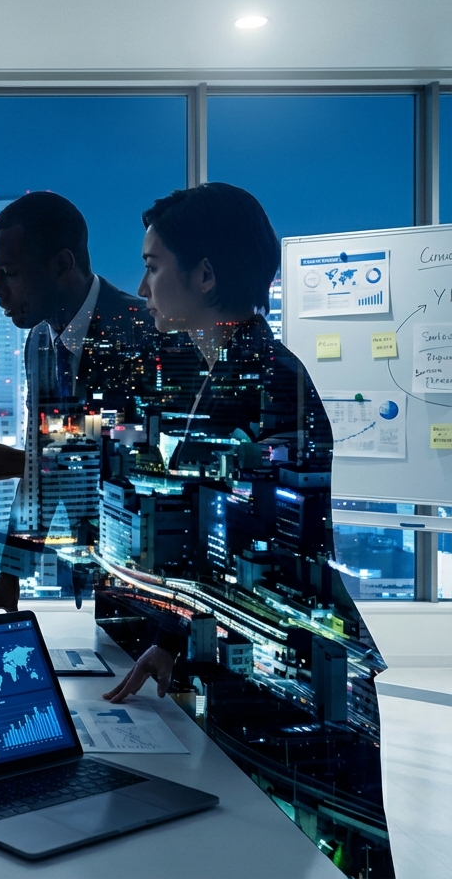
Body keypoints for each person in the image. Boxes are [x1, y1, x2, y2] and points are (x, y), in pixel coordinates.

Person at [103, 184, 391, 876]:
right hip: (240, 661)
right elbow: (211, 545)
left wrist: (187, 634)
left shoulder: (274, 385)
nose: (141, 284)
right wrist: (172, 639)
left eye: (153, 264)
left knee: (301, 856)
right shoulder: (199, 376)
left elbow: (277, 563)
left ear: (204, 274)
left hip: (293, 675)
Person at [0, 192, 155, 612]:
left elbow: (139, 457)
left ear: (62, 265)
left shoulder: (142, 334)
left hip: (151, 568)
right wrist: (9, 575)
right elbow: (50, 446)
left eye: (9, 273)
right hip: (99, 569)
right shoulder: (39, 344)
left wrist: (22, 460)